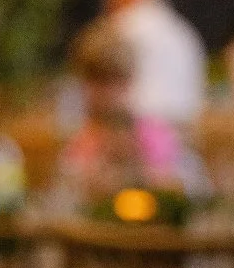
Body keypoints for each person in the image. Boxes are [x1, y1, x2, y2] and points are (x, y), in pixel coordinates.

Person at [58, 22, 207, 207]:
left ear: (130, 80)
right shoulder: (84, 139)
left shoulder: (151, 134)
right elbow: (70, 189)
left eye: (114, 81)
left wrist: (139, 164)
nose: (106, 94)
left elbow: (177, 187)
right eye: (97, 82)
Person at [103, 0, 207, 128]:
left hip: (138, 126)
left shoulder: (123, 27)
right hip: (184, 125)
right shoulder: (183, 30)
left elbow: (105, 86)